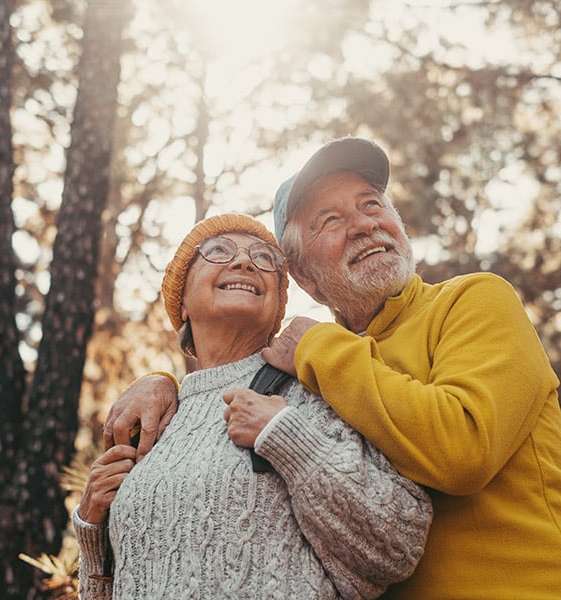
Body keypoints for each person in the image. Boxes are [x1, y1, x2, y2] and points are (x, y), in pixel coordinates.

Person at [105, 137, 561, 600]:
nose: (365, 224)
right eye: (330, 220)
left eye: (372, 204)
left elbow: (465, 450)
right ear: (304, 277)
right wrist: (165, 386)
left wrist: (318, 347)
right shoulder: (311, 373)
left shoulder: (472, 301)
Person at [75, 213, 432, 599]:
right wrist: (93, 537)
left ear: (278, 304)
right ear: (182, 302)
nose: (244, 262)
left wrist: (288, 437)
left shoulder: (311, 392)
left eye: (264, 258)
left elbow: (397, 546)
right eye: (217, 251)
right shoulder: (152, 421)